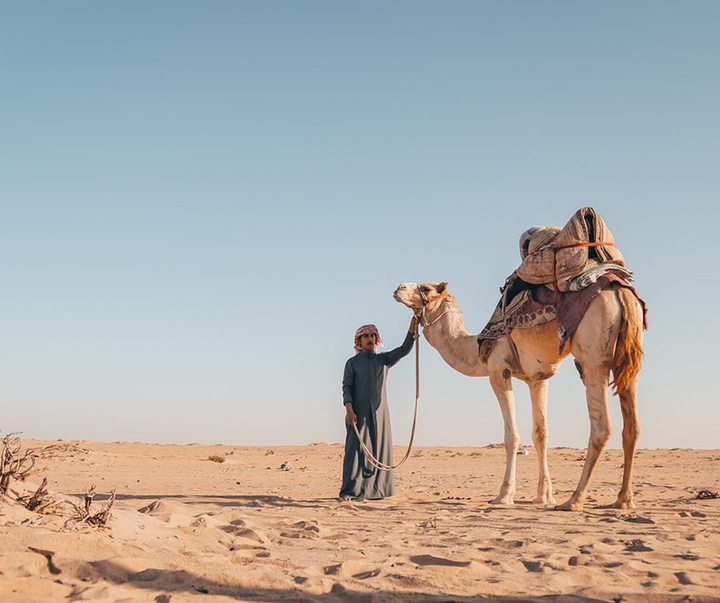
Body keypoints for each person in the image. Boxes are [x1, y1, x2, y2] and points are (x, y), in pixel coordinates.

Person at [339, 317, 418, 501]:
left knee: (380, 449)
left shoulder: (384, 360)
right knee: (355, 451)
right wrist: (349, 410)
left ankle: (379, 491)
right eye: (365, 336)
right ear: (359, 341)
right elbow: (346, 387)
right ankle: (351, 491)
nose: (370, 339)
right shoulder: (352, 363)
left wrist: (412, 329)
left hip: (380, 414)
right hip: (358, 413)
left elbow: (404, 349)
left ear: (377, 339)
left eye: (373, 335)